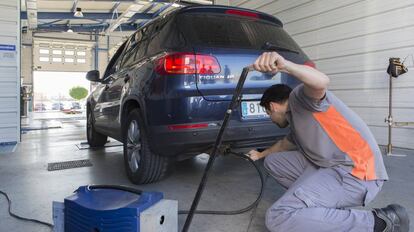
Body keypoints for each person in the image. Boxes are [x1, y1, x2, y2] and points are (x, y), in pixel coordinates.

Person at [248, 52, 409, 232]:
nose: (271, 119)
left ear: (272, 106)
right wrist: (260, 155)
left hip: (356, 173)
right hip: (328, 167)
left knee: (278, 217)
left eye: (269, 114)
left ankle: (381, 221)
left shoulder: (300, 98)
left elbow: (321, 82)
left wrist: (285, 65)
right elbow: (283, 145)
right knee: (273, 162)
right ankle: (320, 209)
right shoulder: (296, 121)